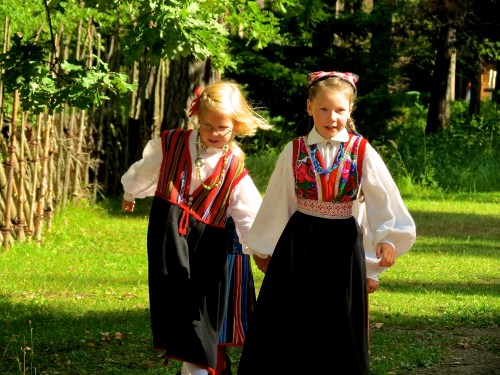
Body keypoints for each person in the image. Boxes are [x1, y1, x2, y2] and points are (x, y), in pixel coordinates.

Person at [236, 71, 416, 375]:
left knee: (339, 318)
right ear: (309, 107)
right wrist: (264, 246)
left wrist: (386, 239)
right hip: (299, 243)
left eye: (339, 110)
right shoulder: (294, 151)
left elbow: (381, 199)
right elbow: (279, 201)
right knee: (293, 317)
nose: (331, 117)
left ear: (350, 110)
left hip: (343, 247)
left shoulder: (362, 152)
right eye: (323, 109)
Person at [121, 80, 271, 375]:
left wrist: (262, 249)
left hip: (208, 244)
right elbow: (145, 170)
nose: (215, 134)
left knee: (201, 309)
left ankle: (198, 367)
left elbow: (250, 215)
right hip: (169, 236)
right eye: (207, 126)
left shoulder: (234, 168)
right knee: (175, 302)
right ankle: (193, 366)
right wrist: (130, 192)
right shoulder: (173, 144)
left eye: (223, 128)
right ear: (197, 119)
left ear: (236, 125)